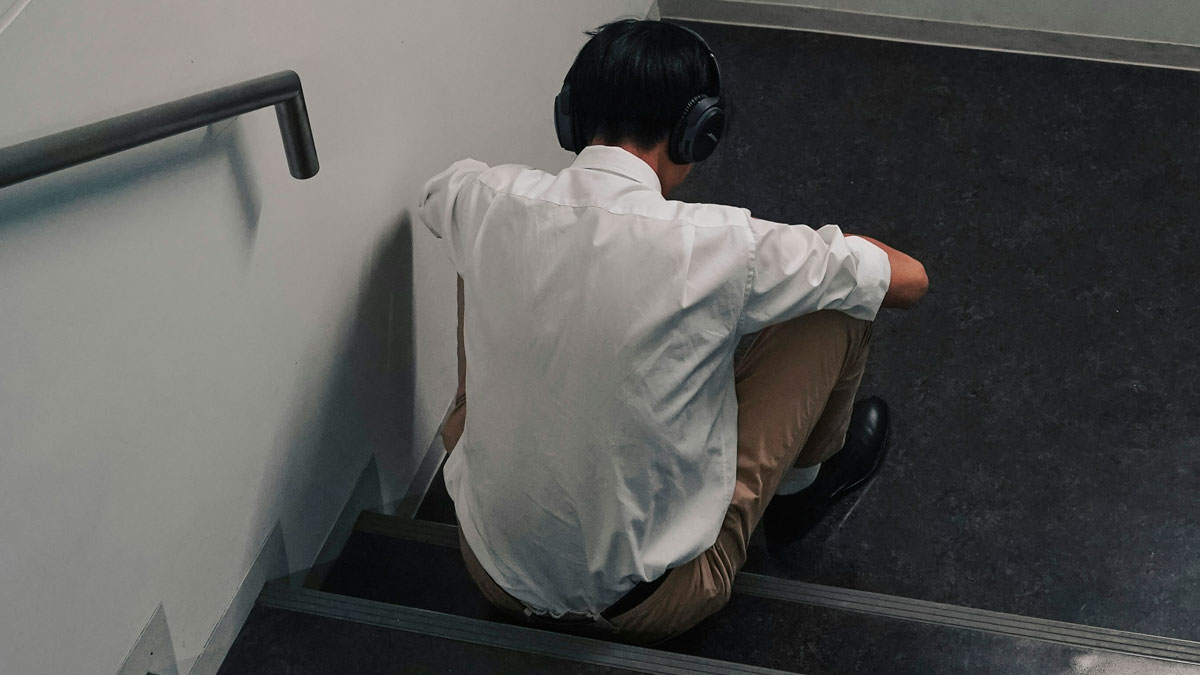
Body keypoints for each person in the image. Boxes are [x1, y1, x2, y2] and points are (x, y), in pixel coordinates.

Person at [416, 18, 929, 645]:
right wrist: (827, 249)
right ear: (697, 131)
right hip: (648, 603)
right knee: (838, 307)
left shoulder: (484, 195)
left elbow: (438, 196)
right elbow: (908, 280)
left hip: (492, 573)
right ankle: (800, 490)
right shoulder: (721, 243)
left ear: (571, 119)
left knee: (479, 244)